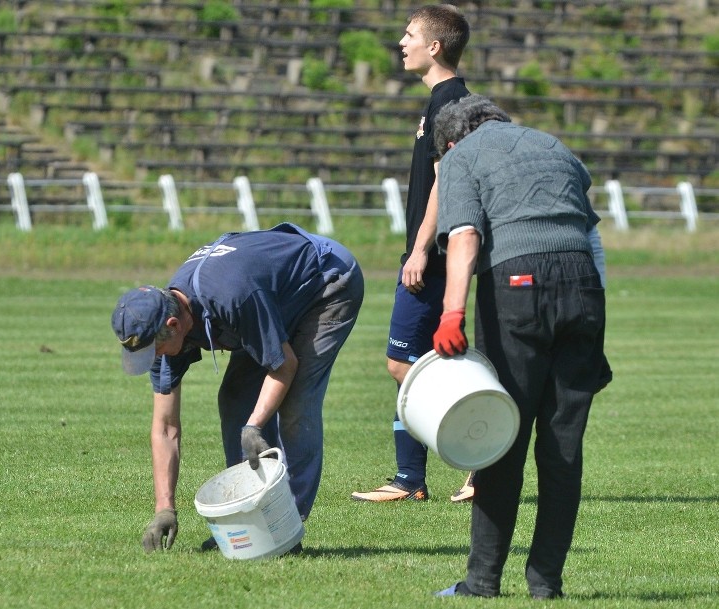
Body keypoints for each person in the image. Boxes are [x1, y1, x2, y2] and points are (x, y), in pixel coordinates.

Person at [428, 95, 608, 599]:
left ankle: (482, 582)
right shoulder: (554, 145)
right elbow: (591, 238)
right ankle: (546, 584)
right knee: (562, 448)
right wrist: (597, 327)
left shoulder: (462, 156)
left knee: (500, 439)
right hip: (584, 288)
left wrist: (451, 314)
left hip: (517, 286)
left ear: (451, 141)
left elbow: (464, 237)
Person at [111, 222, 364, 553]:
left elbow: (283, 365)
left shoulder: (231, 296)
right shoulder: (162, 330)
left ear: (173, 327)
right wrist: (164, 508)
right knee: (234, 398)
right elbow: (165, 428)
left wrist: (255, 425)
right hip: (268, 299)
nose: (153, 359)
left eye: (152, 350)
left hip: (326, 283)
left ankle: (284, 528)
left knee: (295, 404)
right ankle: (250, 515)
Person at [351, 4, 472, 503]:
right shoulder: (439, 101)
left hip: (435, 257)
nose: (401, 43)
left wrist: (420, 250)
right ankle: (412, 478)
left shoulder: (451, 102)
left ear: (435, 46)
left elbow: (446, 183)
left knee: (406, 367)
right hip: (431, 254)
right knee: (417, 363)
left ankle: (474, 456)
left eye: (409, 35)